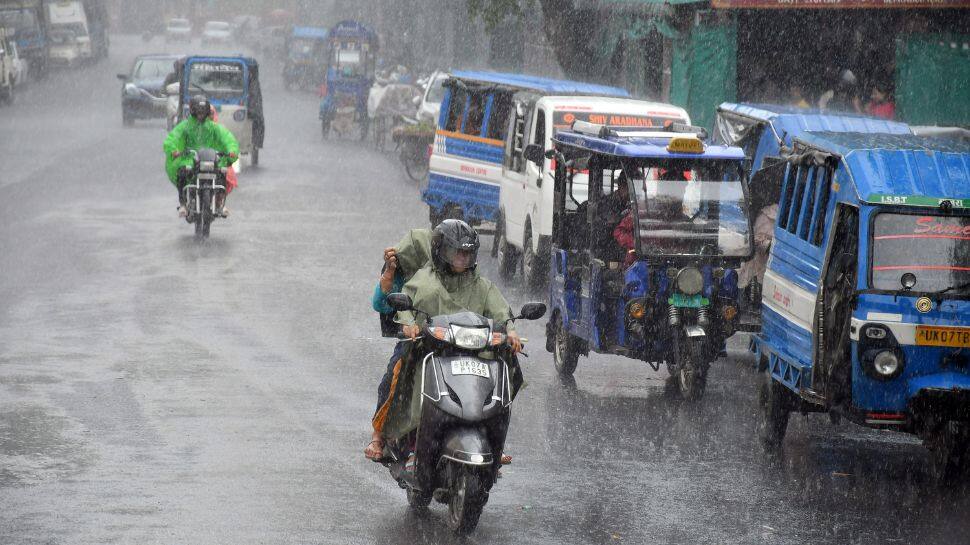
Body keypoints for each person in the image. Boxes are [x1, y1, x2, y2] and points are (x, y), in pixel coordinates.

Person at [366, 220, 522, 461]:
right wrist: (408, 324)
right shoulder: (422, 280)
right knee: (397, 373)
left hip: (469, 349)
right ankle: (383, 435)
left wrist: (510, 331)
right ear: (440, 251)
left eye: (467, 253)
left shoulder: (481, 284)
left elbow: (501, 311)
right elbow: (398, 303)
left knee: (503, 371)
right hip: (426, 345)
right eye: (456, 253)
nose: (462, 259)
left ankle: (492, 441)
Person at [163, 95, 239, 218]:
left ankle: (220, 202)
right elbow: (173, 138)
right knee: (182, 172)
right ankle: (183, 203)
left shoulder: (214, 127)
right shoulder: (186, 126)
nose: (200, 115)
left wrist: (231, 150)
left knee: (222, 173)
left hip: (211, 158)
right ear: (193, 111)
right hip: (190, 158)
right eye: (198, 112)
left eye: (203, 112)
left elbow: (227, 138)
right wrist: (173, 150)